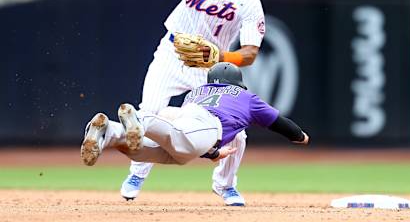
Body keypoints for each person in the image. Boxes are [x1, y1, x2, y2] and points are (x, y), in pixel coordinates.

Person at [117, 0, 267, 206]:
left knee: (234, 130)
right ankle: (137, 174)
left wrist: (220, 57)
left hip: (208, 69)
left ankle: (225, 186)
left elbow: (249, 54)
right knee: (149, 112)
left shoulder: (248, 1)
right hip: (172, 53)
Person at [81, 63, 309, 197]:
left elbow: (196, 140)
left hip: (187, 122)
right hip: (206, 125)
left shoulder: (197, 91)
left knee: (148, 151)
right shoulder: (246, 97)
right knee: (175, 137)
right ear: (237, 82)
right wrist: (300, 136)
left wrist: (213, 154)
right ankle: (140, 119)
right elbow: (280, 122)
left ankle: (110, 132)